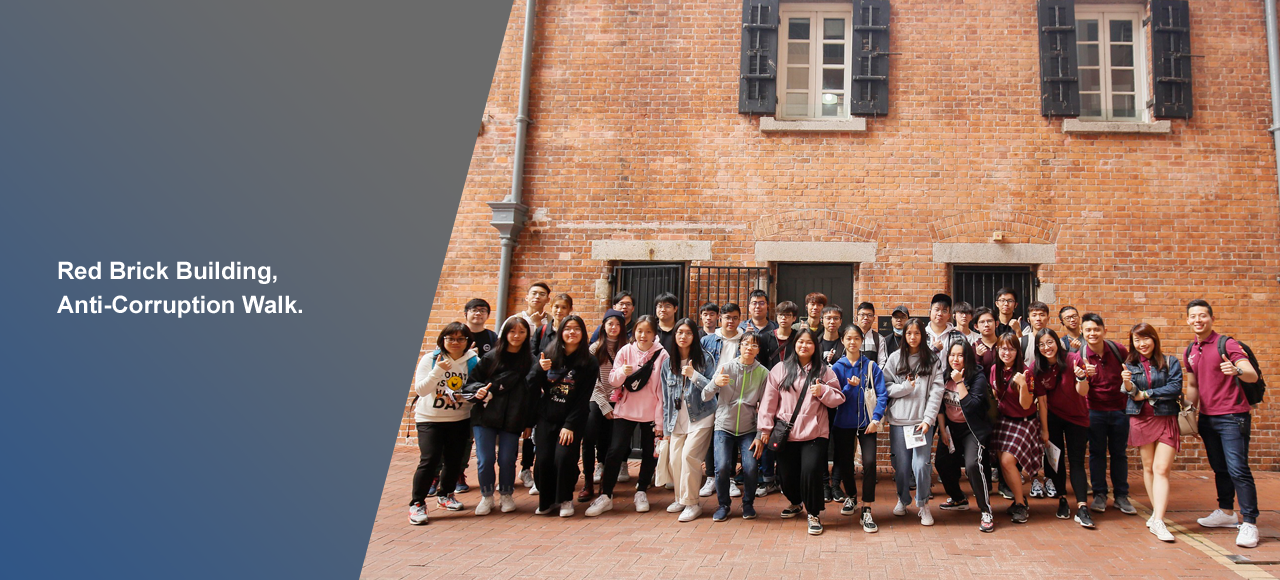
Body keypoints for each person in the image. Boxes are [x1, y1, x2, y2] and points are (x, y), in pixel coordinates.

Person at [1184, 299, 1261, 548]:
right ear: (1187, 320)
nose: (1198, 320)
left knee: (1238, 469)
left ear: (1211, 319)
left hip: (1232, 416)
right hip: (1207, 418)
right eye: (1193, 316)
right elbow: (1194, 385)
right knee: (1220, 469)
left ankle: (1249, 522)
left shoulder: (1226, 343)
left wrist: (1236, 370)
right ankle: (1227, 512)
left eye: (1203, 315)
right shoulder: (1190, 350)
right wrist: (1190, 413)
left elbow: (1251, 374)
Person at [757, 328, 846, 535]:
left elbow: (839, 398)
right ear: (794, 345)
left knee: (811, 471)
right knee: (786, 476)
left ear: (815, 346)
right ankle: (796, 501)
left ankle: (813, 513)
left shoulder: (824, 371)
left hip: (815, 433)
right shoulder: (780, 369)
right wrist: (765, 428)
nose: (804, 346)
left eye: (809, 342)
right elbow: (769, 402)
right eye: (800, 342)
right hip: (786, 432)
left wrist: (823, 391)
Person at [586, 315, 667, 517]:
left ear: (654, 333)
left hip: (650, 411)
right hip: (626, 409)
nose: (643, 335)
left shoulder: (661, 354)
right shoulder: (626, 350)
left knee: (650, 453)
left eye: (648, 331)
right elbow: (613, 381)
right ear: (634, 332)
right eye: (640, 331)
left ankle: (641, 491)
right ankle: (606, 495)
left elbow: (662, 390)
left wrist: (660, 421)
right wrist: (622, 371)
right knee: (615, 451)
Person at [408, 323, 480, 525]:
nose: (455, 343)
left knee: (454, 461)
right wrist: (437, 371)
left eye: (460, 339)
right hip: (429, 418)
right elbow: (421, 390)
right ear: (443, 340)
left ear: (467, 341)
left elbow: (478, 390)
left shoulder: (473, 361)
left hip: (459, 419)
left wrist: (465, 397)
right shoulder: (431, 359)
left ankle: (446, 495)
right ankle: (417, 504)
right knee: (429, 460)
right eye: (451, 338)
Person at [462, 317, 535, 516]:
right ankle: (486, 497)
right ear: (505, 333)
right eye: (512, 331)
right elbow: (471, 383)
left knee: (507, 458)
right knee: (485, 459)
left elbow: (533, 394)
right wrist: (479, 391)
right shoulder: (491, 357)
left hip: (513, 417)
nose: (517, 336)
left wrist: (529, 421)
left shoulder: (531, 361)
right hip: (485, 415)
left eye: (522, 332)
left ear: (527, 335)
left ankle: (506, 494)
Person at [529, 315, 599, 517]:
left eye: (577, 329)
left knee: (564, 457)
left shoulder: (589, 362)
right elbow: (532, 385)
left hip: (572, 419)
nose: (572, 332)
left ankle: (566, 498)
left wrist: (570, 425)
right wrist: (538, 370)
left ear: (583, 333)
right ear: (561, 332)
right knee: (543, 459)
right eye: (567, 328)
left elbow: (584, 396)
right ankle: (547, 501)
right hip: (546, 416)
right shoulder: (548, 355)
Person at [1121, 323, 1183, 542]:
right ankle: (1157, 514)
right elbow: (1129, 393)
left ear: (1154, 339)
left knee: (1161, 468)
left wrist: (1146, 393)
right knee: (1148, 467)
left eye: (1145, 338)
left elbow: (1175, 388)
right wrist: (1128, 384)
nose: (1142, 344)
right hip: (1140, 418)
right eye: (1137, 340)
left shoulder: (1170, 362)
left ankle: (1158, 520)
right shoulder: (1130, 363)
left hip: (1165, 416)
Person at [1069, 313, 1135, 516]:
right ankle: (1099, 494)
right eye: (1088, 330)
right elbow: (1078, 389)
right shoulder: (1078, 355)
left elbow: (1131, 373)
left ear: (1104, 330)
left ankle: (1122, 496)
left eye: (1096, 329)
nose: (1092, 333)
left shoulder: (1118, 350)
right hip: (1093, 410)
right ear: (1082, 332)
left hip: (1119, 410)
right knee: (1097, 454)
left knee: (1119, 454)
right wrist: (1082, 376)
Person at [883, 318, 946, 527]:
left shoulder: (931, 360)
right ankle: (903, 499)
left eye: (916, 333)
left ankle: (923, 504)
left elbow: (937, 392)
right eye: (908, 333)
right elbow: (886, 387)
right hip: (899, 421)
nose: (912, 337)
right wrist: (905, 389)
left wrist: (929, 420)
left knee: (920, 465)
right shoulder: (894, 358)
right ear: (904, 335)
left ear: (923, 335)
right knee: (901, 467)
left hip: (921, 423)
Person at [703, 331, 769, 521]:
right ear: (740, 346)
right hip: (724, 425)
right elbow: (705, 396)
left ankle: (748, 504)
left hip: (749, 428)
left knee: (750, 467)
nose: (749, 348)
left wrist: (760, 434)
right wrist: (715, 383)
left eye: (754, 345)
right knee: (722, 466)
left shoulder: (763, 373)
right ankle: (723, 505)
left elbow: (765, 406)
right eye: (746, 344)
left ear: (758, 350)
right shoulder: (726, 367)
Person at [1033, 328, 1094, 528]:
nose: (1046, 347)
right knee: (1055, 462)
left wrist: (1081, 377)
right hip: (1053, 418)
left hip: (1077, 417)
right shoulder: (1038, 367)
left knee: (1076, 461)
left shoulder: (1074, 359)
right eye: (1041, 344)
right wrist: (1045, 430)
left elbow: (1083, 391)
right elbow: (1041, 401)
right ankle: (1062, 500)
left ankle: (1082, 506)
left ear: (1057, 343)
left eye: (1049, 342)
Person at [658, 318, 718, 522]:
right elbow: (666, 398)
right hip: (677, 419)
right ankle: (680, 498)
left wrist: (694, 375)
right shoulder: (668, 363)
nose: (683, 337)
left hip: (701, 416)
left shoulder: (705, 359)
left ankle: (692, 503)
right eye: (679, 333)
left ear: (695, 336)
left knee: (689, 457)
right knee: (675, 460)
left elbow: (712, 390)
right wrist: (666, 430)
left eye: (688, 333)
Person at [829, 324, 887, 533]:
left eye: (856, 338)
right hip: (842, 423)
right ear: (842, 341)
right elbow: (832, 397)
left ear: (862, 341)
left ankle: (868, 507)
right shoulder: (836, 367)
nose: (852, 342)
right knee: (844, 463)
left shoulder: (871, 366)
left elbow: (882, 394)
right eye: (848, 338)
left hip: (867, 424)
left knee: (870, 462)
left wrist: (876, 418)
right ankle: (851, 497)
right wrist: (848, 387)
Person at [935, 340, 996, 533]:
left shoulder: (977, 376)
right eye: (952, 355)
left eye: (960, 355)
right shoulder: (945, 376)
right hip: (951, 429)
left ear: (967, 357)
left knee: (972, 465)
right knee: (941, 463)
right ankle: (959, 498)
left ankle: (986, 511)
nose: (955, 359)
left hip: (972, 430)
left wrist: (960, 381)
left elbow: (971, 406)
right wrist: (943, 430)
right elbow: (940, 406)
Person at [988, 333, 1044, 524]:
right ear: (998, 350)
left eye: (1011, 349)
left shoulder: (1025, 373)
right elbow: (995, 393)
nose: (1007, 352)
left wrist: (1023, 386)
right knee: (1002, 461)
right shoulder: (995, 369)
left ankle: (1020, 503)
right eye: (1003, 348)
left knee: (1007, 461)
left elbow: (1026, 404)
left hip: (1023, 421)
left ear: (1018, 352)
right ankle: (1018, 499)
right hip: (1003, 421)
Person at [508, 282, 552, 494]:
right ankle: (521, 468)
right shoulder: (514, 320)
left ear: (547, 299)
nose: (537, 297)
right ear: (527, 297)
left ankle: (528, 467)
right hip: (520, 380)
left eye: (542, 294)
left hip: (542, 381)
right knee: (522, 425)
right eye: (534, 293)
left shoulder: (551, 321)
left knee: (534, 425)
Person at [699, 303, 745, 498]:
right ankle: (710, 476)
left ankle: (731, 478)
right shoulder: (708, 341)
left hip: (734, 392)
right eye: (727, 317)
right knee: (711, 433)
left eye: (735, 318)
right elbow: (701, 366)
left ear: (739, 319)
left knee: (731, 433)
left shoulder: (744, 339)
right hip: (712, 389)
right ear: (721, 319)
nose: (731, 321)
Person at [582, 309, 626, 502]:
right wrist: (604, 406)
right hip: (596, 399)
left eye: (617, 324)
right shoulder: (594, 349)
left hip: (618, 400)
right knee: (589, 439)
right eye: (610, 324)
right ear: (603, 326)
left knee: (610, 444)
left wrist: (616, 402)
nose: (613, 327)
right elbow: (592, 381)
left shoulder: (627, 349)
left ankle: (605, 484)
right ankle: (588, 482)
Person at [854, 302, 888, 366]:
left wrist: (875, 375)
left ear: (873, 319)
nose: (866, 318)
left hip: (873, 375)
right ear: (856, 318)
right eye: (862, 315)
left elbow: (882, 362)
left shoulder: (879, 339)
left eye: (869, 315)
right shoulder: (850, 337)